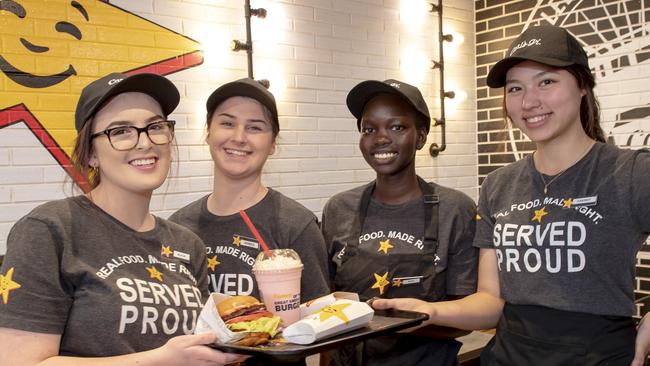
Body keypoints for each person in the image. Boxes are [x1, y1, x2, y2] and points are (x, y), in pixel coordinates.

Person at [372, 25, 650, 365]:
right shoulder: (499, 185)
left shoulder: (630, 172)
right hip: (509, 355)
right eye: (515, 88)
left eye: (546, 81)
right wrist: (429, 310)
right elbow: (491, 301)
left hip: (598, 355)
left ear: (582, 86)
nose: (529, 101)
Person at [0, 72, 243, 365]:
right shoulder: (50, 230)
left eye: (155, 126)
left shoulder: (187, 243)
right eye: (121, 131)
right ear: (91, 153)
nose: (144, 143)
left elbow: (199, 345)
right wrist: (159, 360)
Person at [320, 79, 478, 366]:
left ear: (420, 136)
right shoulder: (338, 208)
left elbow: (467, 316)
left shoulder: (455, 209)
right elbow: (325, 312)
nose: (381, 138)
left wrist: (390, 323)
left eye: (397, 127)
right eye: (369, 129)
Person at [169, 78, 330, 310]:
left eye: (255, 127)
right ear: (208, 133)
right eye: (227, 123)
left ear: (273, 143)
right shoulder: (179, 227)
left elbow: (321, 322)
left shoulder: (295, 225)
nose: (239, 137)